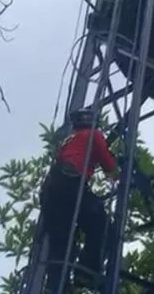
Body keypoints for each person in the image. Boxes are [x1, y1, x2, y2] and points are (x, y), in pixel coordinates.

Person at [39, 108, 118, 291]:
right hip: (71, 182)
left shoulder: (68, 140)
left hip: (52, 188)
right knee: (102, 225)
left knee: (62, 240)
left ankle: (57, 286)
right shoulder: (94, 135)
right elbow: (110, 168)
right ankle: (86, 273)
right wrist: (119, 171)